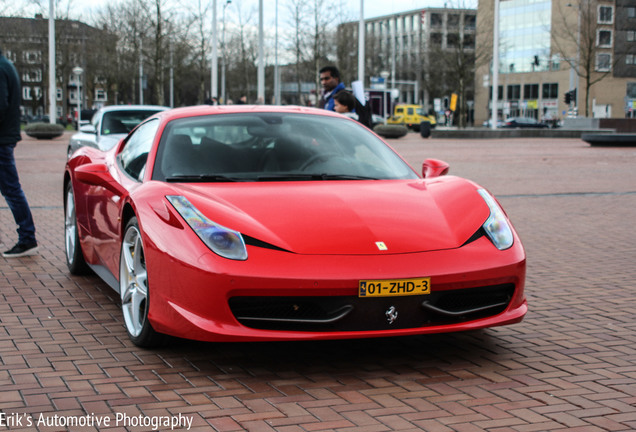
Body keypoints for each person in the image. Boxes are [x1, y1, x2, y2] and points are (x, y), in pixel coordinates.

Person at [0, 47, 38, 257]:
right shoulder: (6, 65)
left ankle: (27, 238)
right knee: (11, 190)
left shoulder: (1, 68)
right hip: (5, 137)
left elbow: (0, 105)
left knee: (12, 190)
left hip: (2, 139)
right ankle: (27, 236)